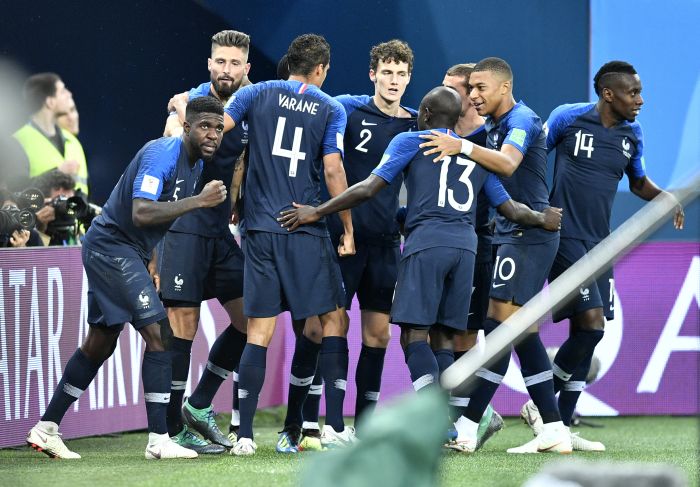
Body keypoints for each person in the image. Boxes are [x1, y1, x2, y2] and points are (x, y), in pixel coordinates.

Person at [279, 86, 561, 450]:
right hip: (466, 249)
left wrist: (315, 212)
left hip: (426, 245)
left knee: (414, 335)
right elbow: (509, 209)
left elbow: (366, 188)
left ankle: (435, 418)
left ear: (425, 114)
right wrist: (542, 217)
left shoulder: (411, 141)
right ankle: (446, 418)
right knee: (443, 338)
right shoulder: (477, 155)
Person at [26, 96, 228, 460]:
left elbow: (160, 218)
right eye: (204, 126)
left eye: (218, 127)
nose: (212, 134)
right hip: (112, 247)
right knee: (160, 335)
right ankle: (159, 439)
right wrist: (199, 201)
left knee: (100, 343)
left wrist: (152, 262)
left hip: (126, 250)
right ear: (186, 128)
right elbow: (141, 211)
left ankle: (46, 429)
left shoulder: (196, 163)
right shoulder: (164, 154)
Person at [518, 60, 685, 452]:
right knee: (591, 325)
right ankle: (542, 406)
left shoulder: (633, 133)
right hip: (564, 238)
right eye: (633, 93)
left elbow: (639, 181)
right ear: (608, 93)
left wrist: (667, 197)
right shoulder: (568, 118)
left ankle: (559, 419)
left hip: (600, 244)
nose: (640, 100)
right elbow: (533, 158)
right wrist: (537, 208)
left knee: (589, 335)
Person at [419, 57, 571, 454]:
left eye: (480, 88)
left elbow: (507, 163)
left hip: (528, 235)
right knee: (519, 333)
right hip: (512, 233)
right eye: (470, 89)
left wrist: (462, 145)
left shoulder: (521, 120)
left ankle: (469, 426)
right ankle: (554, 427)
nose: (473, 95)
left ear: (505, 87)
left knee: (499, 327)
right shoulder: (493, 126)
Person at [277, 39, 418, 454]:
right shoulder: (346, 108)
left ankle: (365, 429)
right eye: (386, 72)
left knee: (377, 335)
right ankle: (314, 422)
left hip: (386, 244)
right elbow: (297, 111)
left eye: (401, 73)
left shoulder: (414, 125)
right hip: (340, 239)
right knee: (321, 327)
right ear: (372, 74)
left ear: (409, 78)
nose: (393, 80)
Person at [222, 33, 355, 456]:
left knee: (259, 330)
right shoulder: (330, 108)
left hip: (260, 229)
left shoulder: (257, 92)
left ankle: (243, 435)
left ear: (289, 62)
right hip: (304, 228)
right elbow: (333, 170)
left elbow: (218, 130)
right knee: (321, 325)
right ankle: (304, 426)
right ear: (320, 69)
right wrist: (346, 227)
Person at [155, 29, 251, 455]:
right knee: (182, 331)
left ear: (246, 68)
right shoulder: (187, 103)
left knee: (253, 318)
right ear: (209, 64)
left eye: (235, 63)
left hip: (220, 232)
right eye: (220, 62)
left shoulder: (251, 103)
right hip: (184, 229)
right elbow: (167, 153)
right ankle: (172, 429)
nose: (226, 70)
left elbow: (243, 159)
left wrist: (236, 199)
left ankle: (199, 404)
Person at [441, 63, 503, 449]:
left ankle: (464, 420)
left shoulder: (487, 140)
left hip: (478, 244)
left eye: (456, 89)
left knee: (464, 333)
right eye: (443, 87)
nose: (447, 94)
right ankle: (460, 418)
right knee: (436, 332)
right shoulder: (430, 131)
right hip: (436, 243)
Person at [13, 73, 89, 195]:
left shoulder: (73, 142)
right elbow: (14, 193)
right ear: (50, 102)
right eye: (63, 91)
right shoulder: (18, 141)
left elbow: (84, 193)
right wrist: (57, 174)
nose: (69, 94)